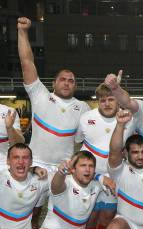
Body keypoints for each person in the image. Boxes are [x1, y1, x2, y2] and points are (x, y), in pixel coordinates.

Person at [17, 17, 89, 174]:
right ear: (53, 84)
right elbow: (27, 62)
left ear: (75, 86)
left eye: (71, 81)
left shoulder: (83, 107)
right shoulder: (40, 95)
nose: (67, 83)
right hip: (35, 167)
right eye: (62, 79)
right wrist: (23, 32)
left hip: (64, 171)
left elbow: (83, 141)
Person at [75, 84, 134, 229]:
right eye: (102, 100)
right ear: (97, 101)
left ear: (117, 101)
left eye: (110, 99)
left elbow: (132, 144)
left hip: (113, 175)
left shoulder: (128, 119)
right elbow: (79, 141)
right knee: (90, 215)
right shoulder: (86, 118)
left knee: (108, 214)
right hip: (89, 175)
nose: (107, 103)